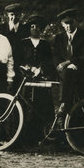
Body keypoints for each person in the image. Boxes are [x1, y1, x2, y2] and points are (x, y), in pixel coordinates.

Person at [16, 15, 56, 145]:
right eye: (32, 26)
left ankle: (41, 137)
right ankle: (24, 138)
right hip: (25, 78)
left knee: (40, 106)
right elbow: (18, 60)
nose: (35, 29)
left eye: (38, 27)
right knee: (25, 105)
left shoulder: (45, 44)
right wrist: (27, 68)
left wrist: (41, 69)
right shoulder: (23, 43)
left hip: (41, 77)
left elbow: (49, 61)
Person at [53, 8, 84, 117]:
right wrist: (60, 65)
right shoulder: (59, 38)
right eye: (66, 24)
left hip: (79, 70)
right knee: (67, 72)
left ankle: (63, 103)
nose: (68, 26)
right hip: (63, 72)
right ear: (62, 24)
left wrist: (70, 62)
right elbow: (56, 55)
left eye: (71, 23)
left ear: (76, 21)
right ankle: (64, 112)